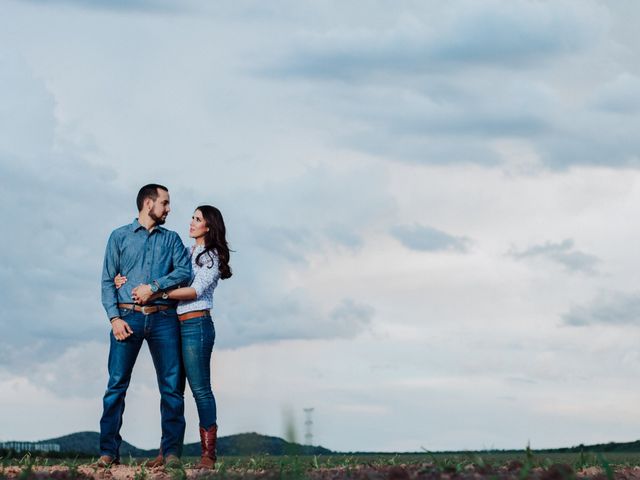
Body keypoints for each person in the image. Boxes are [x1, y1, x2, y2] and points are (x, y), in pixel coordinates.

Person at [115, 205, 232, 469]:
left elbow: (193, 290)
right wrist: (122, 279)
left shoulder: (211, 256)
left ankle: (208, 455)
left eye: (197, 219)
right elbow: (162, 275)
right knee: (172, 391)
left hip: (196, 326)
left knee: (200, 390)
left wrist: (158, 295)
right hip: (173, 325)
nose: (191, 222)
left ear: (209, 226)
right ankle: (169, 452)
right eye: (192, 217)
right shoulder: (185, 251)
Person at [98, 184, 192, 468]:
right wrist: (114, 319)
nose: (169, 208)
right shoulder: (119, 237)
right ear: (148, 203)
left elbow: (184, 271)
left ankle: (172, 452)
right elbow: (106, 281)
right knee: (116, 385)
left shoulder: (172, 239)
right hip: (127, 318)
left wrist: (154, 287)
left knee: (172, 387)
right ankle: (108, 452)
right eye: (165, 203)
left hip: (164, 319)